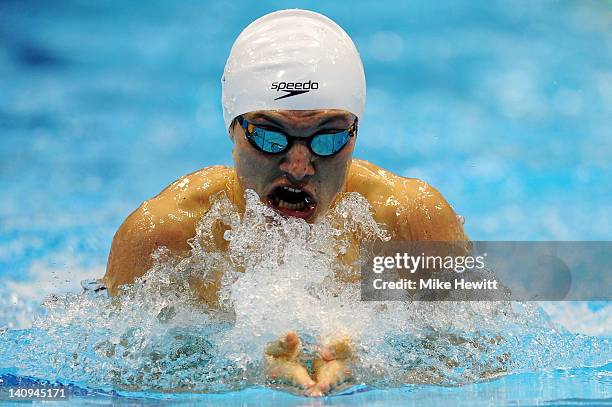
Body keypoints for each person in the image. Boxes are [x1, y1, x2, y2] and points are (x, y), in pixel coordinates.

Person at [102, 9, 467, 397]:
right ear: (233, 128)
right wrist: (244, 372)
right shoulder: (163, 236)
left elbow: (484, 353)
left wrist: (372, 368)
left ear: (355, 135)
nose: (298, 167)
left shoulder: (411, 221)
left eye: (327, 139)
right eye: (270, 137)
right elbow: (118, 379)